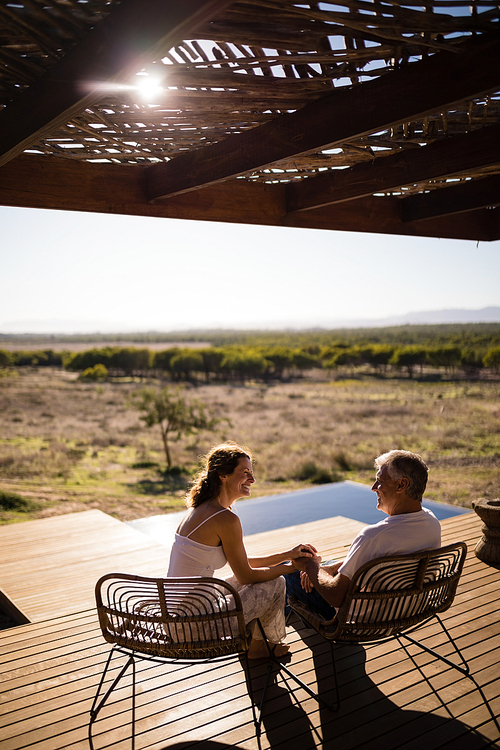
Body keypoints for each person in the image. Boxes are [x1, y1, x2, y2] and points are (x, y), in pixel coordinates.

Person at [167, 441, 317, 659]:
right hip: (191, 626)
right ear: (223, 475)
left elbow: (243, 563)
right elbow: (246, 575)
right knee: (275, 583)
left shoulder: (201, 509)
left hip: (178, 615)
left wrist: (287, 555)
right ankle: (264, 645)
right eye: (245, 472)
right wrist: (290, 568)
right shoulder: (224, 518)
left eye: (252, 473)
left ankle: (259, 643)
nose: (252, 479)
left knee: (257, 581)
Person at [286, 450, 441, 619]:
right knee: (327, 565)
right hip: (407, 610)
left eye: (380, 481)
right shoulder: (431, 523)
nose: (373, 488)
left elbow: (336, 597)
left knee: (289, 570)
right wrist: (329, 569)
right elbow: (373, 560)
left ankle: (277, 628)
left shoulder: (373, 536)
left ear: (401, 485)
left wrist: (310, 567)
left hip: (360, 620)